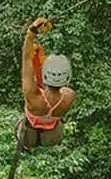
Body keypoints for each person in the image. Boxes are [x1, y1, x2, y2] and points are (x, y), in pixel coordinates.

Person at [17, 16, 75, 150]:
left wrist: (31, 32)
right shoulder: (69, 96)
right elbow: (62, 89)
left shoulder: (33, 96)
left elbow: (26, 60)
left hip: (29, 136)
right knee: (57, 124)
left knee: (19, 126)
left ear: (44, 74)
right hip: (53, 136)